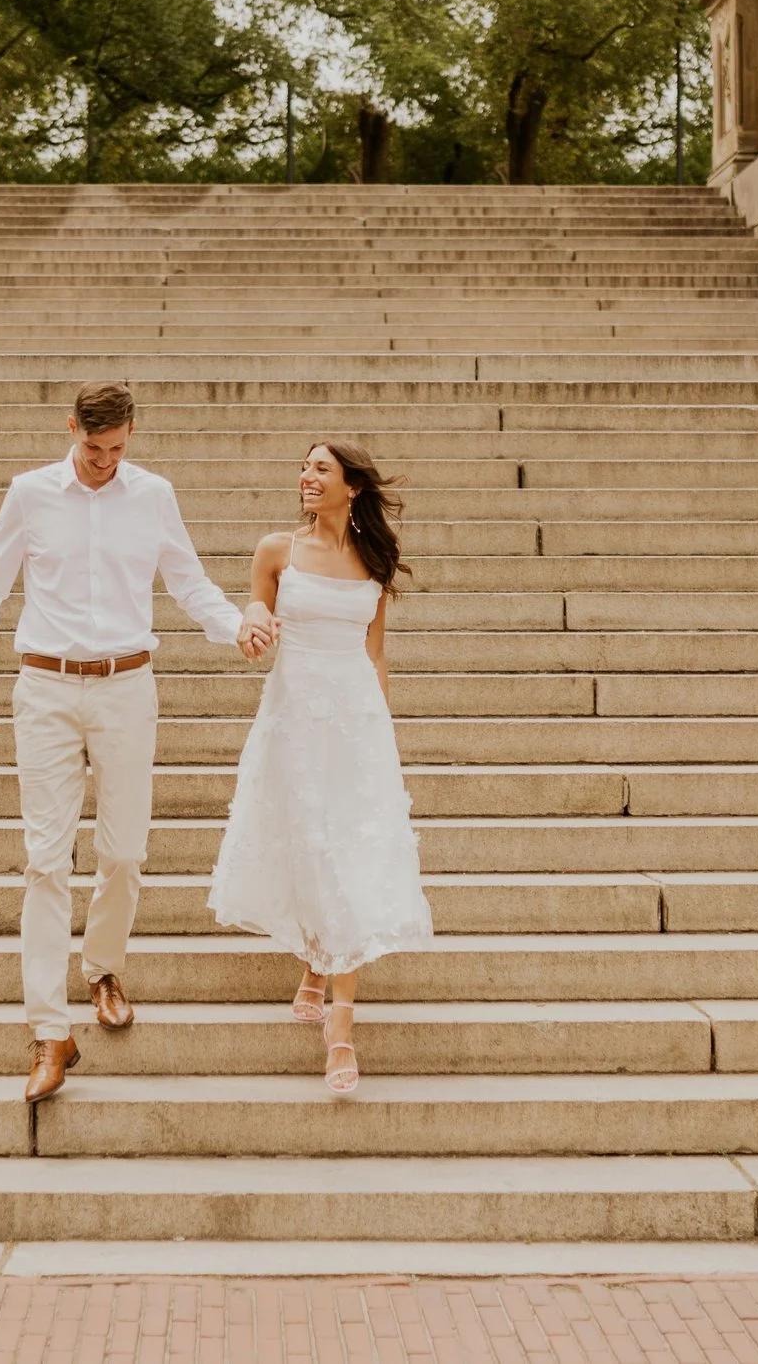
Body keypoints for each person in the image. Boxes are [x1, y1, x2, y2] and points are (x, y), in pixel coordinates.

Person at [0, 381, 274, 1102]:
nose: (105, 461)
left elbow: (189, 584)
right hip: (44, 687)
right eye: (93, 448)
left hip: (128, 686)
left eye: (118, 449)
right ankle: (48, 1030)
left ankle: (102, 966)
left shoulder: (152, 494)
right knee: (44, 861)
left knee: (125, 852)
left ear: (132, 435)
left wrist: (238, 627)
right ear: (72, 429)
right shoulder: (30, 493)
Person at [207, 440, 433, 1096]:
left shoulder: (373, 561)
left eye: (321, 468)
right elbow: (256, 627)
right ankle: (314, 955)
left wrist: (380, 735)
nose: (307, 476)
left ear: (352, 486)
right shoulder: (275, 551)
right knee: (311, 847)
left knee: (349, 855)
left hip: (356, 725)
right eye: (304, 467)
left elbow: (376, 654)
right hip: (294, 720)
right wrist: (253, 629)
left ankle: (341, 1024)